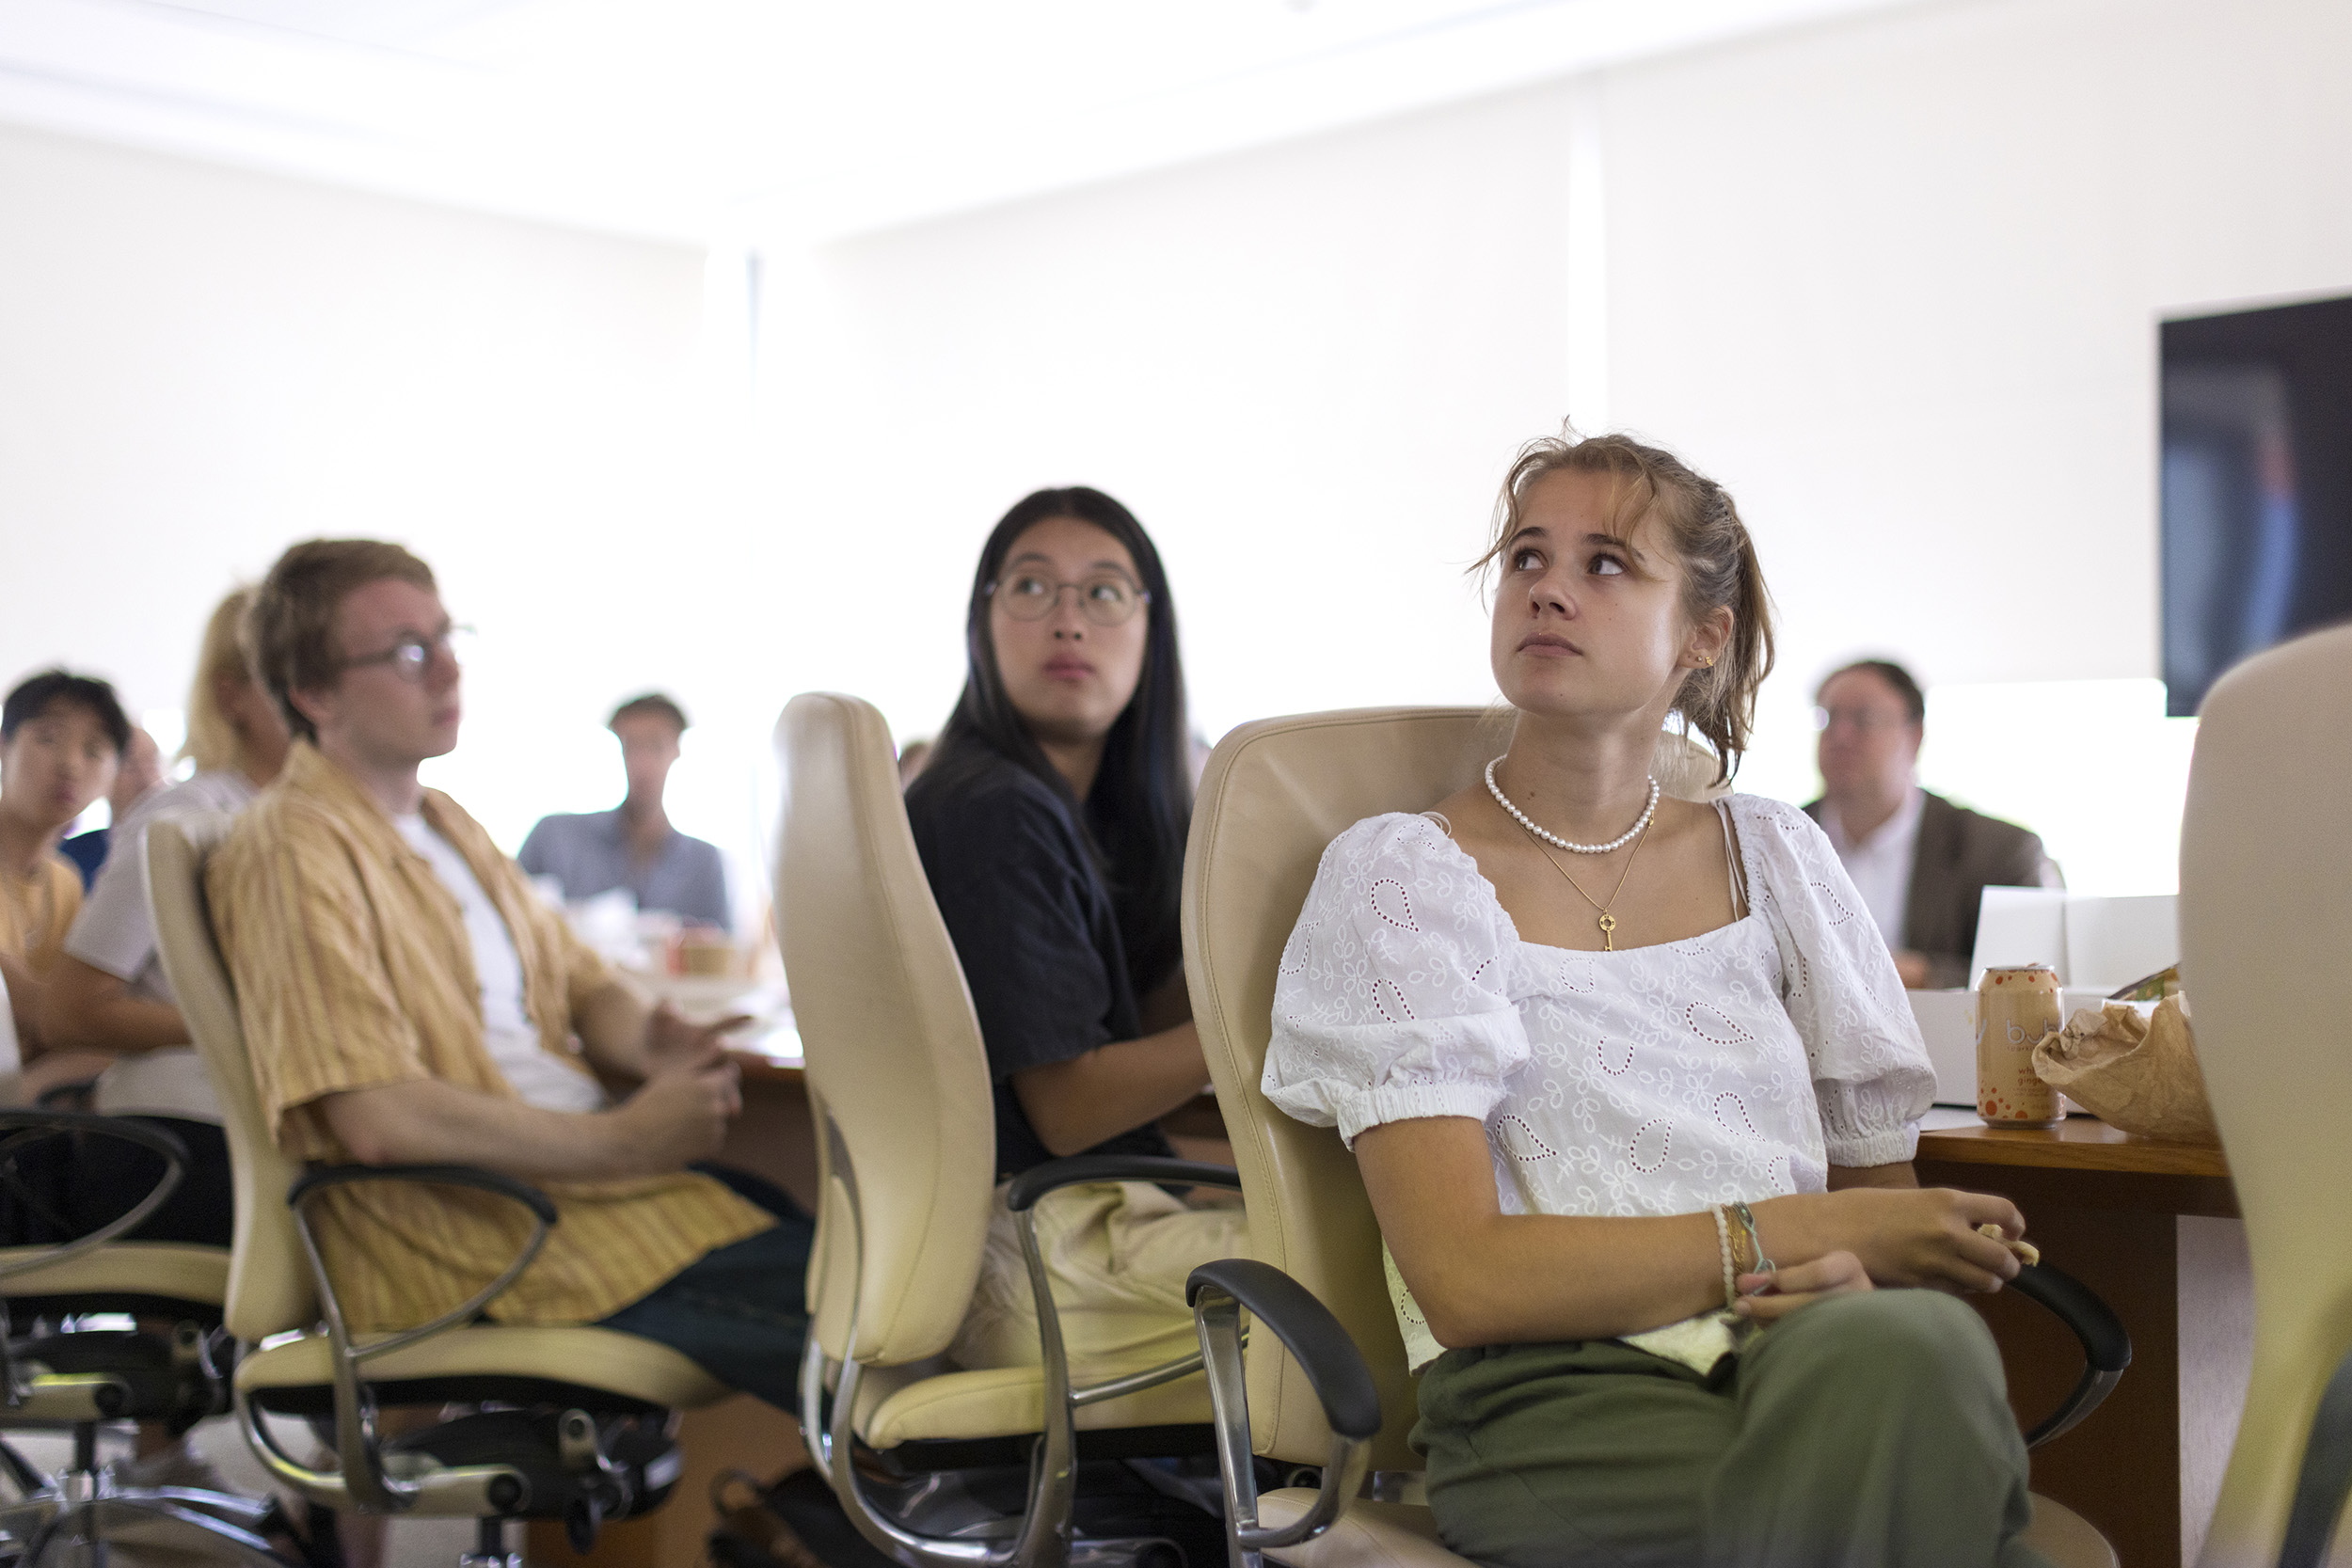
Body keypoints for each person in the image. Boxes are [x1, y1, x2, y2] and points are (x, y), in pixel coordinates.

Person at [1263, 431, 2045, 1568]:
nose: (1547, 587)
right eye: (1527, 557)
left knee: (1915, 1348)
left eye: (1605, 564)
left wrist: (1849, 1261)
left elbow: (1885, 1210)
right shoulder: (1403, 879)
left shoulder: (1778, 857)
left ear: (1702, 635)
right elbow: (1464, 1278)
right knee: (1956, 1511)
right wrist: (1799, 1229)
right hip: (1559, 1396)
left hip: (1805, 1350)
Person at [207, 540, 810, 1419]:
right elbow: (380, 1117)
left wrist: (651, 1036)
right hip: (476, 1241)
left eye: (450, 638)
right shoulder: (291, 846)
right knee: (872, 1320)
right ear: (313, 692)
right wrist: (628, 1141)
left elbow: (582, 980)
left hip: (567, 1203)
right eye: (409, 652)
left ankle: (794, 1519)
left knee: (838, 1250)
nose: (448, 668)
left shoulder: (449, 824)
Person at [902, 487, 1243, 1380]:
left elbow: (1131, 1028)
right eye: (1030, 587)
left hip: (1032, 1232)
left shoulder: (1055, 807)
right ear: (983, 622)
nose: (1067, 621)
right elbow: (1071, 1106)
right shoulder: (997, 812)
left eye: (1101, 592)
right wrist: (1266, 1014)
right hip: (1040, 1249)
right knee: (1399, 1268)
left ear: (1148, 628)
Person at [39, 589, 293, 1248]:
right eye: (290, 669)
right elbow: (68, 1010)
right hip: (184, 1139)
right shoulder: (187, 816)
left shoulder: (323, 821)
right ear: (233, 693)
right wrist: (247, 1024)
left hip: (269, 1132)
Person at [1804, 659, 2060, 989]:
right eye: (1828, 718)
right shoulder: (1770, 841)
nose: (1840, 735)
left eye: (1863, 719)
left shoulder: (1998, 850)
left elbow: (2035, 980)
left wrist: (1920, 975)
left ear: (1915, 735)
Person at [518, 693, 731, 932]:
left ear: (676, 750)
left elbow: (723, 954)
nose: (642, 763)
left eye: (655, 746)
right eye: (632, 746)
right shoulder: (554, 838)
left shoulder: (703, 864)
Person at [1, 671, 126, 1070]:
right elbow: (45, 1014)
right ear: (4, 746)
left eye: (93, 751)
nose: (70, 765)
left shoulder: (65, 881)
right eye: (48, 738)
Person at [58, 725, 163, 889]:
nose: (146, 780)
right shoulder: (71, 857)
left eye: (153, 764)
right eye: (130, 766)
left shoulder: (177, 847)